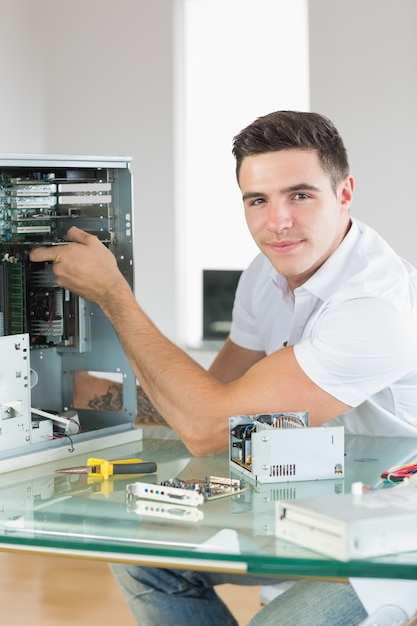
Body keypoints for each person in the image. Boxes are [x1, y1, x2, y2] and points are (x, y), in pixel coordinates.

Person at [29, 111, 417, 625]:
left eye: (300, 195)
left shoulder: (373, 308)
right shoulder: (266, 274)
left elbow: (209, 426)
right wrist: (62, 411)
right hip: (309, 494)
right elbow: (212, 395)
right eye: (258, 200)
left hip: (394, 531)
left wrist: (115, 297)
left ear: (344, 192)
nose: (277, 221)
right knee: (145, 560)